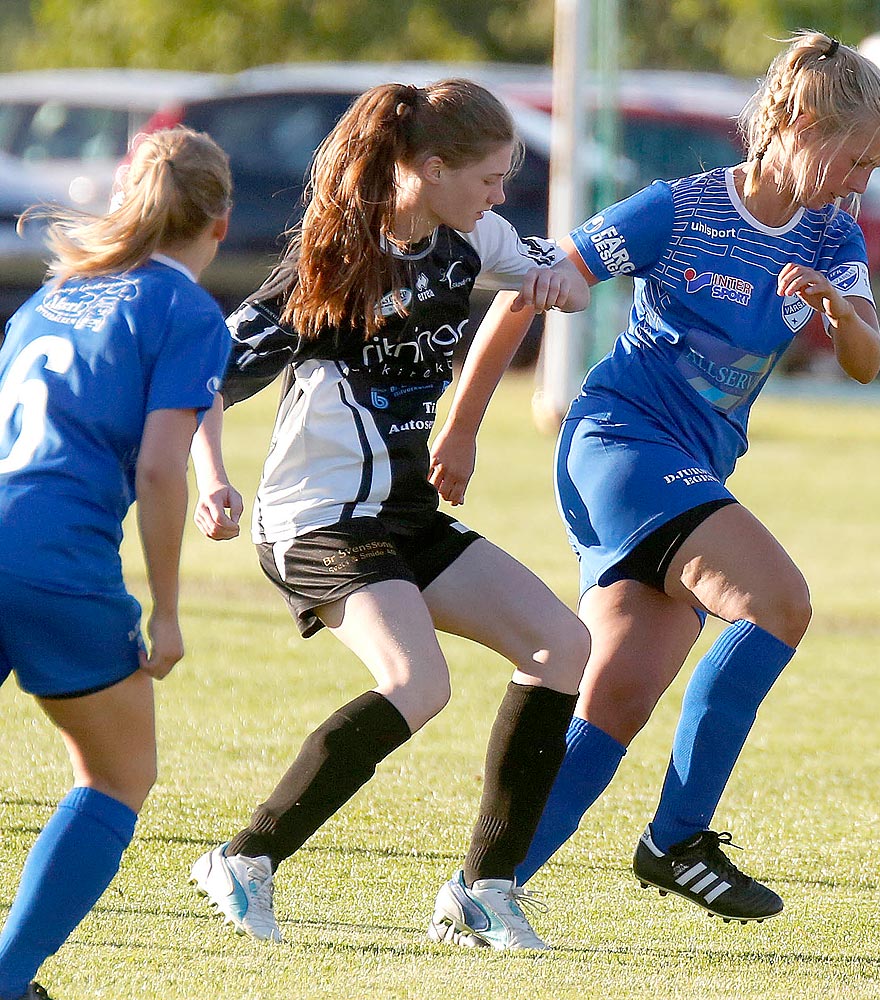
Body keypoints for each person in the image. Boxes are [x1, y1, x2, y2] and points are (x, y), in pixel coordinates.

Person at [427, 31, 880, 926]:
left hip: (687, 469)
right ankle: (677, 839)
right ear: (797, 123)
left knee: (618, 694)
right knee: (777, 601)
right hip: (620, 445)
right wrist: (461, 426)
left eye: (876, 167)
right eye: (854, 158)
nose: (860, 182)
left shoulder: (834, 234)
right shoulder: (680, 208)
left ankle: (484, 889)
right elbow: (525, 290)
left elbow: (868, 360)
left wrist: (840, 309)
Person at [187, 79, 591, 952]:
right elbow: (199, 379)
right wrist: (212, 479)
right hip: (318, 520)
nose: (499, 197)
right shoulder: (331, 266)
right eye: (488, 179)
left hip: (402, 514)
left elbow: (560, 280)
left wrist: (554, 282)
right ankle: (244, 858)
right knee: (419, 683)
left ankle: (483, 891)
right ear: (432, 169)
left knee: (563, 646)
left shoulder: (469, 238)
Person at [0, 127, 233, 1000]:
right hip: (54, 558)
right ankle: (10, 980)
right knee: (119, 776)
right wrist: (166, 612)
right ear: (220, 221)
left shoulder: (53, 296)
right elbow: (160, 466)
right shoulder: (185, 312)